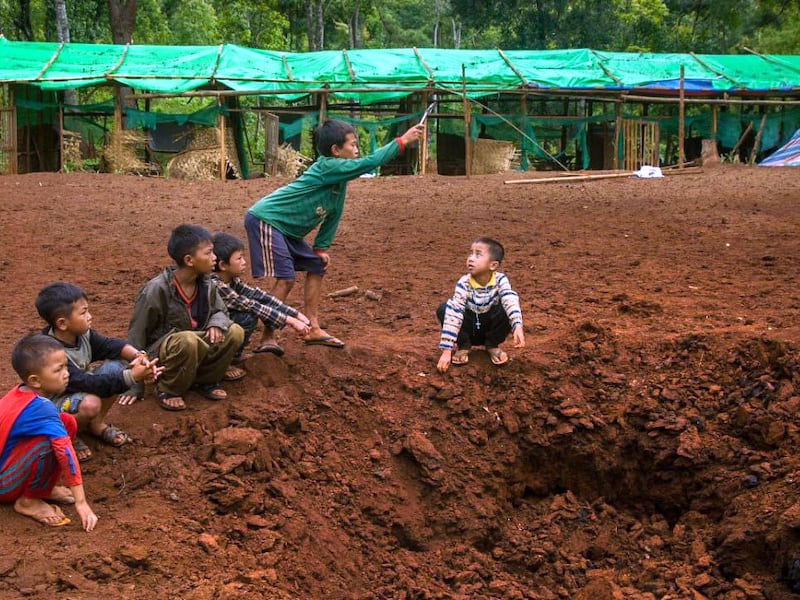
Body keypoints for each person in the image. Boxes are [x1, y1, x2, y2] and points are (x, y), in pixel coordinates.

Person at [244, 119, 423, 350]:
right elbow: (367, 164)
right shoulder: (327, 166)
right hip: (266, 220)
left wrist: (321, 248)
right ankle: (268, 336)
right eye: (352, 145)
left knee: (316, 265)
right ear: (336, 151)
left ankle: (313, 327)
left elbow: (333, 215)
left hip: (286, 229)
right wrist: (403, 140)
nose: (356, 149)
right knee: (286, 278)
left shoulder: (339, 181)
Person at [36, 282, 161, 462]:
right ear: (62, 323)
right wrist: (133, 376)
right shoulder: (51, 353)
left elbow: (111, 346)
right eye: (83, 312)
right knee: (91, 403)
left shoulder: (81, 335)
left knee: (117, 367)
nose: (89, 316)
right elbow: (88, 383)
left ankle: (96, 424)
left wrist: (139, 356)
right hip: (54, 405)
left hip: (77, 391)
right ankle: (69, 435)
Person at [128, 224, 245, 411]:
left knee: (234, 331)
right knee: (188, 340)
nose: (214, 258)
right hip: (166, 352)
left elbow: (221, 311)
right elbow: (136, 335)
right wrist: (134, 383)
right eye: (208, 253)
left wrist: (216, 323)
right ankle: (169, 389)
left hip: (195, 344)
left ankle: (205, 380)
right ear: (189, 260)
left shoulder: (207, 283)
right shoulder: (156, 290)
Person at [0, 334, 98, 530]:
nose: (66, 373)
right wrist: (81, 502)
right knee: (50, 441)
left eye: (65, 365)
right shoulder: (41, 408)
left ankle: (43, 488)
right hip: (5, 485)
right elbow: (65, 452)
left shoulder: (20, 392)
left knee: (66, 422)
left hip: (7, 468)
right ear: (35, 380)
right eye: (58, 369)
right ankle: (28, 501)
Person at [211, 232, 311, 360]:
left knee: (251, 310)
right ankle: (229, 360)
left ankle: (230, 355)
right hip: (209, 331)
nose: (244, 262)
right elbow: (251, 306)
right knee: (246, 316)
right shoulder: (216, 285)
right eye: (239, 258)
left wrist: (296, 314)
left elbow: (259, 296)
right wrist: (290, 320)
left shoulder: (231, 280)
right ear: (223, 265)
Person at [436, 237, 525, 372]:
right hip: (469, 329)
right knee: (445, 308)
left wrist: (517, 325)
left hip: (489, 328)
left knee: (506, 306)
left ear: (493, 265)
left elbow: (509, 299)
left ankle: (492, 344)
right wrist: (447, 351)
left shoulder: (501, 280)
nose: (471, 258)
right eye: (471, 253)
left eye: (478, 254)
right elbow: (455, 312)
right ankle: (464, 345)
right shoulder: (464, 283)